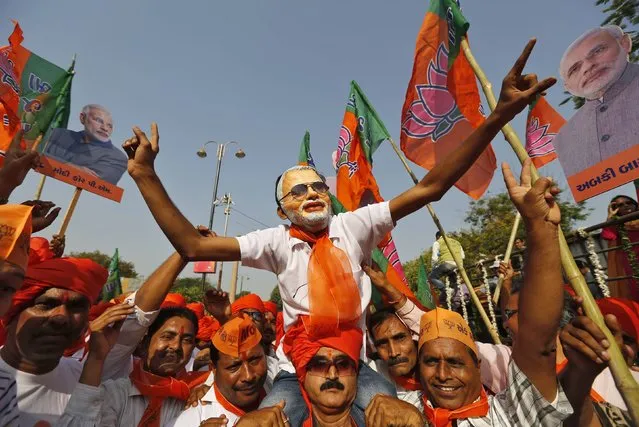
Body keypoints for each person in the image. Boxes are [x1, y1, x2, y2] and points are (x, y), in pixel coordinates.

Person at [122, 38, 555, 424]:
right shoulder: (273, 241)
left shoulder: (355, 224)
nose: (311, 194)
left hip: (357, 368)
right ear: (282, 210)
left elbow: (432, 186)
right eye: (297, 192)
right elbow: (192, 244)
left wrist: (499, 116)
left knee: (400, 418)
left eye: (317, 186)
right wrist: (145, 176)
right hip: (296, 371)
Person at [0, 249, 190, 425]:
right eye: (46, 304)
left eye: (76, 307)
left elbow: (138, 316)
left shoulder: (88, 376)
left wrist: (184, 253)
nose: (61, 317)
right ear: (10, 312)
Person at [57, 306, 201, 427]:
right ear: (145, 342)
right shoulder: (114, 393)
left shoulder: (196, 397)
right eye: (167, 336)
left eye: (186, 340)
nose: (176, 346)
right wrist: (96, 356)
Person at [555, 25, 639, 177]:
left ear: (625, 43)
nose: (588, 66)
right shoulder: (564, 139)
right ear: (568, 87)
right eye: (574, 69)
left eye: (598, 51)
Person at [175, 315, 269, 426]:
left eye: (254, 361)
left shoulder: (283, 393)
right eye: (234, 367)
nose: (248, 376)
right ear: (213, 369)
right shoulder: (190, 420)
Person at [42, 104, 128, 185]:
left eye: (109, 126)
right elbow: (34, 152)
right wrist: (71, 166)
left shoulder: (118, 158)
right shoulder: (57, 134)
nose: (105, 128)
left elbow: (95, 182)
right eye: (98, 121)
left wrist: (50, 158)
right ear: (82, 118)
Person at [602, 194, 639, 301]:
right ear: (616, 209)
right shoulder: (618, 224)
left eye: (628, 203)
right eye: (620, 205)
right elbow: (607, 236)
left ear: (635, 205)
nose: (626, 206)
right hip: (633, 263)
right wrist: (610, 217)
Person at [428, 231, 464, 299]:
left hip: (448, 264)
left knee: (432, 277)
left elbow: (434, 259)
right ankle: (457, 295)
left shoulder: (437, 242)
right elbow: (463, 256)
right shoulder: (456, 242)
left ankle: (447, 291)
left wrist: (433, 268)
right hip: (459, 265)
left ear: (437, 237)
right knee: (453, 280)